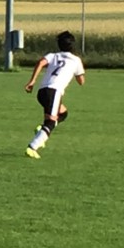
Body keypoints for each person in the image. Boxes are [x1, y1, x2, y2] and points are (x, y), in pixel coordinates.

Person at [23, 30, 86, 159]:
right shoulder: (76, 60)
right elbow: (81, 81)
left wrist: (32, 81)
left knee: (63, 113)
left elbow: (40, 63)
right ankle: (32, 147)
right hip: (54, 91)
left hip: (42, 92)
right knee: (51, 122)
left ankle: (42, 129)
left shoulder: (53, 56)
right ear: (73, 46)